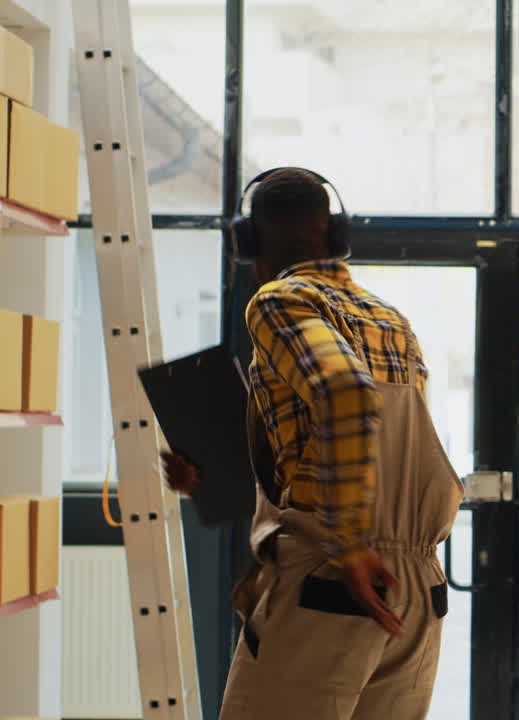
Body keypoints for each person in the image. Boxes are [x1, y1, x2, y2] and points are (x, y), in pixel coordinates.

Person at [162, 167, 463, 720]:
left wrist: (348, 543)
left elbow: (345, 393)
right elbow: (358, 439)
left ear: (251, 241)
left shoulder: (278, 301)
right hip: (417, 587)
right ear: (336, 232)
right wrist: (222, 475)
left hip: (335, 577)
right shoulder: (389, 319)